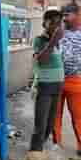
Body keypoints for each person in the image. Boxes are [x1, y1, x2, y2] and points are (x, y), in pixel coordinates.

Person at [53, 3, 81, 160]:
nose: (64, 18)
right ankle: (56, 143)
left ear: (77, 15)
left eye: (67, 15)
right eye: (63, 15)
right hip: (56, 79)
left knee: (78, 116)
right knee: (55, 114)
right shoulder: (58, 31)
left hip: (76, 81)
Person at [29, 10, 65, 151]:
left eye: (59, 23)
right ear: (45, 23)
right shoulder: (40, 40)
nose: (57, 26)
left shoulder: (59, 42)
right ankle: (35, 154)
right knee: (41, 126)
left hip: (57, 87)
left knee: (50, 125)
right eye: (54, 22)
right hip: (44, 87)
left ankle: (39, 149)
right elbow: (42, 61)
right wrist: (53, 41)